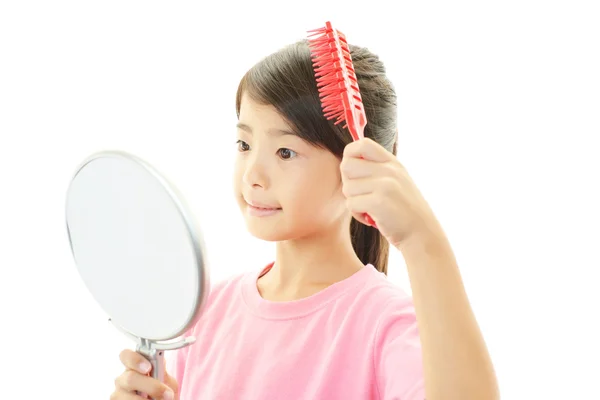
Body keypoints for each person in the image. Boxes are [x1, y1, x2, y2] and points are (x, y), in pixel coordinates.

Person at [110, 38, 499, 400]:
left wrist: (423, 242)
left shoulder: (385, 324)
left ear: (358, 165)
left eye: (285, 153)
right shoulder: (209, 309)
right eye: (245, 145)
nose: (253, 175)